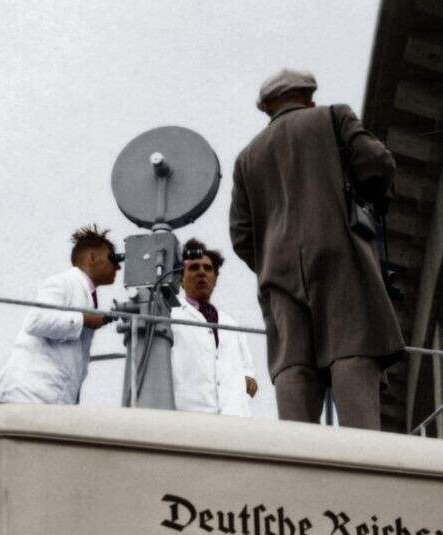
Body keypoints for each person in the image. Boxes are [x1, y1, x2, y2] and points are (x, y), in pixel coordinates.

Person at [229, 68, 403, 430]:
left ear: (266, 109)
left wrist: (271, 262)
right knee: (351, 349)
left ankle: (300, 462)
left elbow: (241, 234)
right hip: (341, 254)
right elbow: (377, 163)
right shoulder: (333, 117)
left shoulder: (247, 157)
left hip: (278, 270)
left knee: (293, 365)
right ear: (309, 97)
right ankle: (364, 460)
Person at [0, 224, 120, 404]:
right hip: (30, 391)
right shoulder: (62, 282)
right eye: (113, 259)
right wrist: (85, 320)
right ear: (92, 257)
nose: (118, 268)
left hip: (50, 396)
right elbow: (37, 321)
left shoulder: (87, 293)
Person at [170, 238, 258, 416]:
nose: (202, 272)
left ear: (215, 278)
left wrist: (248, 380)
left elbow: (248, 369)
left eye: (208, 268)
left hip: (234, 420)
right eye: (194, 268)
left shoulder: (231, 324)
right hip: (188, 416)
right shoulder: (171, 316)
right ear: (180, 278)